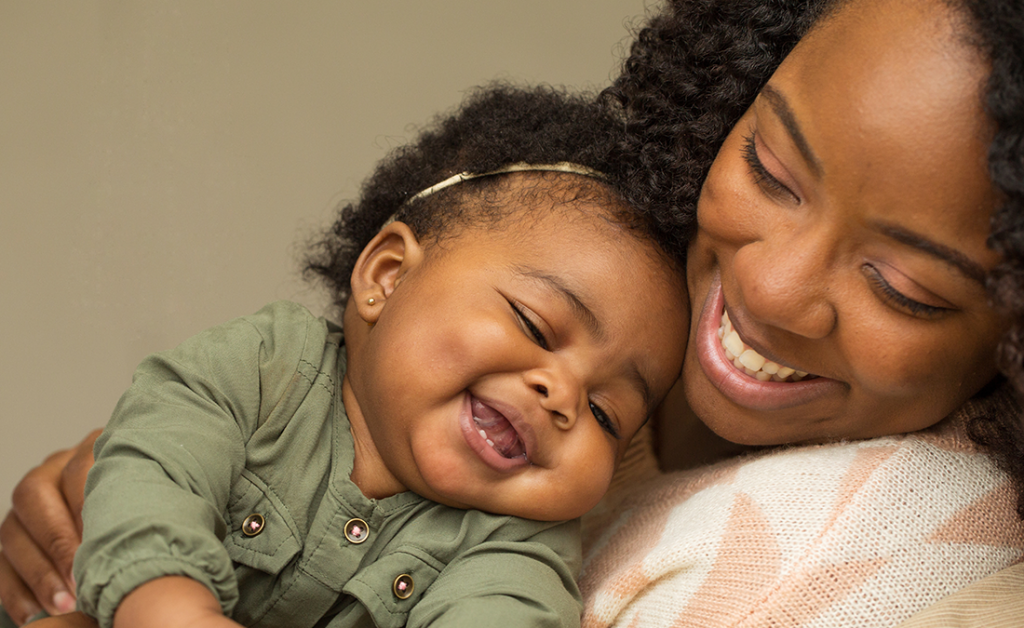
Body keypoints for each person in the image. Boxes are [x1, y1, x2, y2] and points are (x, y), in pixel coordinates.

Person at [5, 0, 1024, 624]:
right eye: (767, 165)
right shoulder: (599, 272)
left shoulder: (913, 532)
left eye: (905, 287)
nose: (769, 287)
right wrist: (126, 509)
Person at [0, 85, 690, 628]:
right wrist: (171, 611)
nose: (563, 395)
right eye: (537, 327)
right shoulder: (264, 367)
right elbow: (156, 471)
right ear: (387, 275)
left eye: (606, 413)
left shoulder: (516, 543)